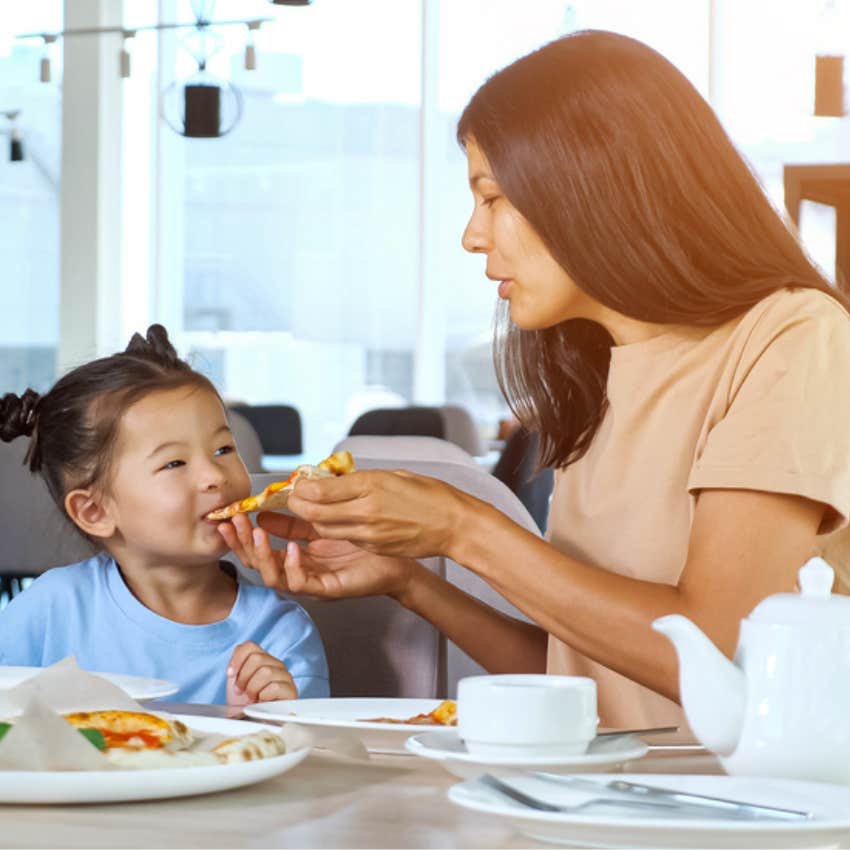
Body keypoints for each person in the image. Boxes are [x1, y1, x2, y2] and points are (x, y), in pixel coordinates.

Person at [220, 30, 850, 728]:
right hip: (601, 803)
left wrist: (461, 527)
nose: (471, 234)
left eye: (492, 198)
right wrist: (411, 580)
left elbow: (713, 655)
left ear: (591, 187)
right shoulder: (598, 372)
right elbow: (591, 677)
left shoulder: (795, 338)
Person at [0, 325, 329, 705]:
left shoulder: (280, 633)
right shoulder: (49, 610)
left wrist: (263, 718)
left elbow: (307, 756)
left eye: (223, 449)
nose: (214, 476)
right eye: (174, 462)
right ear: (95, 511)